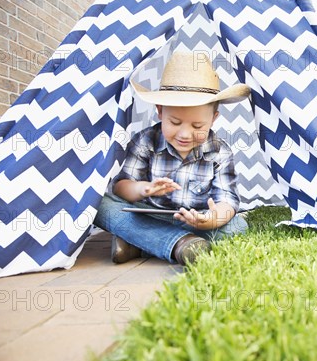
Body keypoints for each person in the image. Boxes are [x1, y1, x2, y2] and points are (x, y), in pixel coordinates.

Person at [94, 51, 250, 265]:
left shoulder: (219, 152)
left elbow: (227, 201)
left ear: (213, 119)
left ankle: (139, 242)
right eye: (175, 123)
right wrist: (143, 189)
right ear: (160, 111)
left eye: (197, 126)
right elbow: (121, 186)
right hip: (147, 214)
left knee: (238, 227)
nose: (185, 134)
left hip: (194, 220)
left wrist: (210, 220)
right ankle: (180, 244)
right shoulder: (146, 141)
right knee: (99, 205)